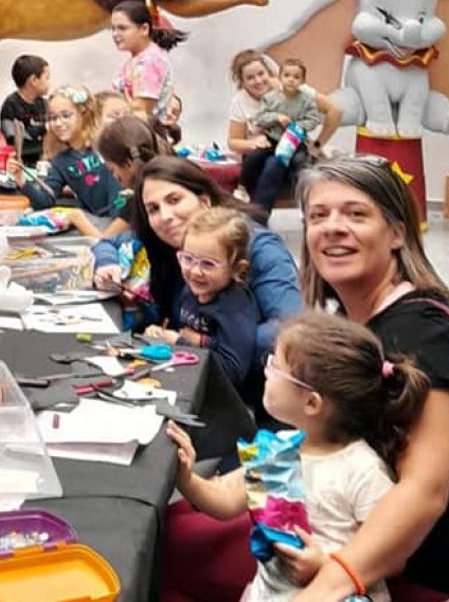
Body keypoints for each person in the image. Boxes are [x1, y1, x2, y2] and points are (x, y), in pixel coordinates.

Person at [160, 156, 449, 602]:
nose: (333, 228)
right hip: (330, 530)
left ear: (398, 233)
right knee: (174, 538)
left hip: (407, 567)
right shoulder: (358, 323)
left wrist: (331, 586)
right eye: (318, 216)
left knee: (171, 557)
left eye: (356, 214)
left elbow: (424, 493)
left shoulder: (423, 335)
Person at [167, 312, 429, 602]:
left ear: (312, 403)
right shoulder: (275, 450)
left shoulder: (362, 469)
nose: (266, 370)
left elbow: (393, 553)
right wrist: (188, 477)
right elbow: (224, 501)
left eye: (275, 366)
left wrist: (327, 565)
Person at [99, 157, 300, 371]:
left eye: (174, 200)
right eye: (153, 209)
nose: (165, 216)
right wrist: (107, 264)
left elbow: (291, 328)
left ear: (204, 202)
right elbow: (108, 243)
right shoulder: (164, 239)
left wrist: (224, 341)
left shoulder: (259, 248)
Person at [146, 208, 257, 388]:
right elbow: (182, 331)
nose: (195, 271)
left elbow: (232, 373)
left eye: (208, 264)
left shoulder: (234, 309)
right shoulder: (191, 290)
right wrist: (160, 334)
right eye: (187, 259)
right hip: (187, 377)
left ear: (237, 268)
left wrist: (180, 342)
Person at [226, 50, 341, 203]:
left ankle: (296, 208)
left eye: (261, 74)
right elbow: (233, 141)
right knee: (271, 164)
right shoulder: (240, 101)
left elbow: (335, 111)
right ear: (241, 81)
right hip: (264, 149)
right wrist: (252, 143)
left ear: (270, 73)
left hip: (292, 146)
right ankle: (258, 214)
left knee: (283, 164)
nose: (258, 81)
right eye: (250, 78)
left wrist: (318, 144)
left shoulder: (290, 87)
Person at [6, 86, 124, 217]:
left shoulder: (105, 145)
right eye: (53, 118)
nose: (58, 123)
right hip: (102, 222)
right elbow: (45, 201)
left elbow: (123, 194)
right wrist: (21, 179)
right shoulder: (61, 162)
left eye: (66, 116)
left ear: (84, 114)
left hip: (124, 218)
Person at [248, 59, 322, 212]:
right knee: (263, 162)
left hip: (295, 142)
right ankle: (257, 208)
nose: (291, 80)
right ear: (280, 77)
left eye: (296, 77)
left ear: (302, 80)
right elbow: (260, 118)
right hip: (273, 140)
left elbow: (314, 119)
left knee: (301, 163)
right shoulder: (270, 98)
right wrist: (276, 117)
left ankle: (305, 202)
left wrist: (297, 126)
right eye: (287, 75)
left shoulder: (307, 100)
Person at [110, 0, 187, 126]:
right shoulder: (137, 59)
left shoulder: (150, 61)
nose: (115, 34)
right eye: (113, 29)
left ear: (144, 29)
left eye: (122, 28)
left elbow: (141, 111)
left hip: (143, 135)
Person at [0, 54, 50, 164]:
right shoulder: (11, 105)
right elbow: (16, 140)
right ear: (34, 80)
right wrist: (44, 127)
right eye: (47, 78)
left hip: (44, 160)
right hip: (22, 163)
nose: (49, 83)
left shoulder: (43, 103)